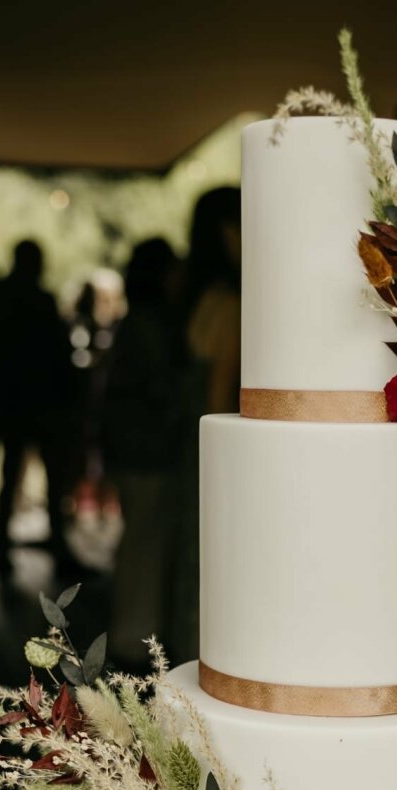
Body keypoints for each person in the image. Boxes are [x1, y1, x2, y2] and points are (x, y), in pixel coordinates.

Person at [166, 186, 241, 660]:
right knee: (208, 558)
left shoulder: (199, 296)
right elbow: (218, 394)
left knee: (189, 556)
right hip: (208, 446)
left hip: (185, 442)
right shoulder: (230, 304)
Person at [104, 237, 183, 666]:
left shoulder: (138, 322)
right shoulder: (150, 326)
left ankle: (135, 633)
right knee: (144, 544)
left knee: (139, 541)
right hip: (148, 451)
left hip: (134, 449)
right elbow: (159, 390)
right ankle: (135, 638)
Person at [0, 239, 75, 575]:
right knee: (44, 478)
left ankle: (2, 546)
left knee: (12, 476)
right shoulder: (36, 302)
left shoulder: (4, 299)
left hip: (19, 401)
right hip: (36, 402)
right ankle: (50, 543)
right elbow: (57, 354)